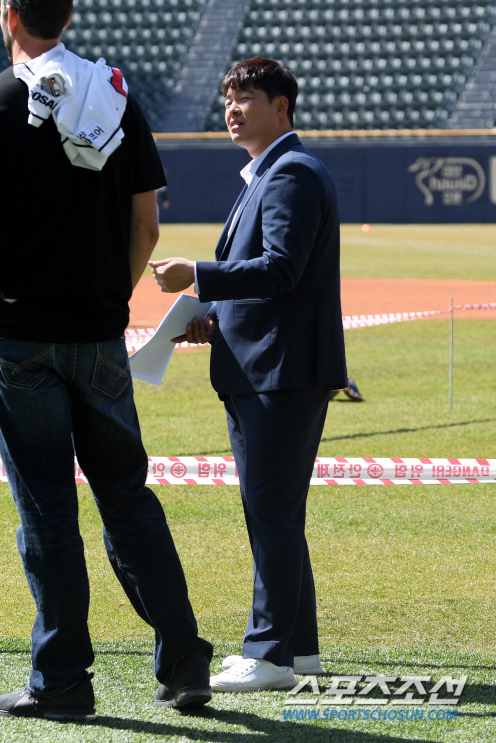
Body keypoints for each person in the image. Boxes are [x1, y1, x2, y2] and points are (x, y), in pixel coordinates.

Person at [0, 0, 212, 722]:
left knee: (48, 510)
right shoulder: (115, 97)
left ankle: (63, 681)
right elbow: (148, 226)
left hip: (15, 333)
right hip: (97, 332)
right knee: (128, 496)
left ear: (9, 17)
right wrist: (109, 299)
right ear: (67, 16)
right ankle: (185, 660)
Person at [150, 57, 347, 692]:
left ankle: (268, 655)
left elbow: (281, 269)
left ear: (281, 107)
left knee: (271, 511)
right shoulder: (270, 173)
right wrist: (212, 317)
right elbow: (268, 282)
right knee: (276, 510)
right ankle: (300, 650)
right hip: (266, 365)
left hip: (281, 372)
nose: (232, 109)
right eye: (227, 98)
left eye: (246, 98)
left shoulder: (289, 173)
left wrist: (199, 277)